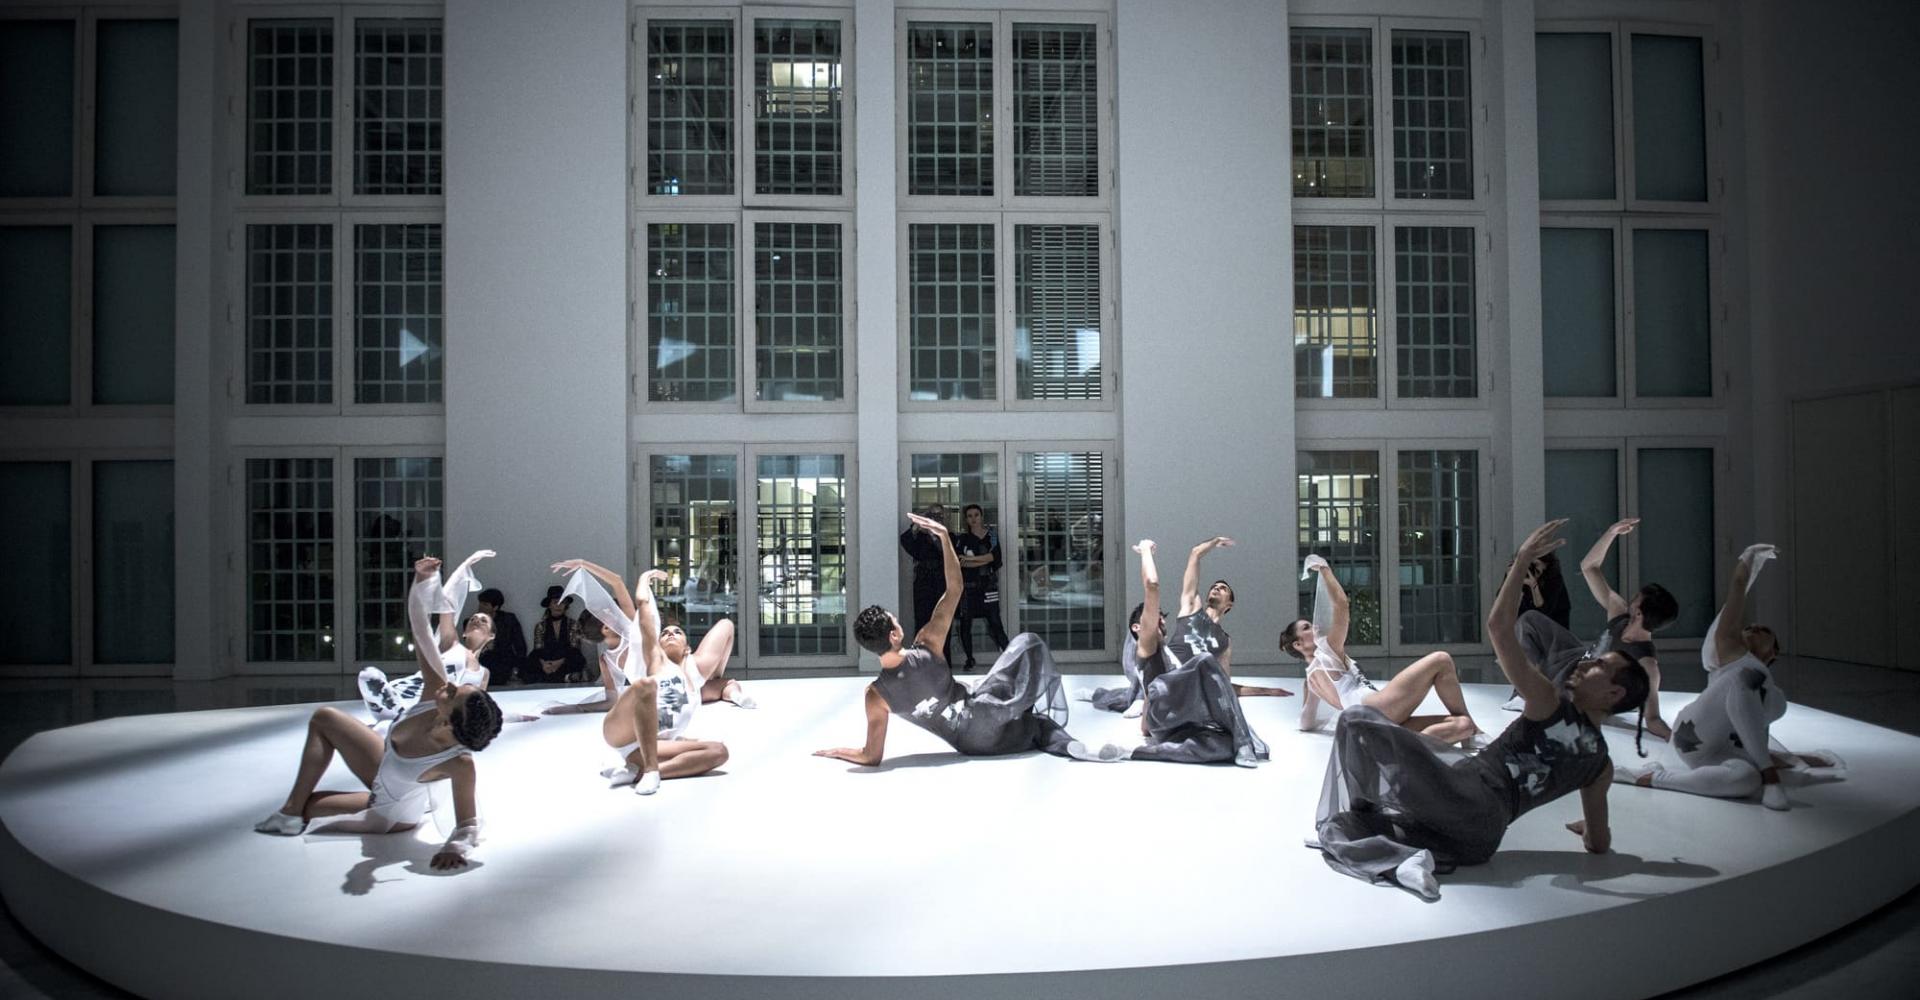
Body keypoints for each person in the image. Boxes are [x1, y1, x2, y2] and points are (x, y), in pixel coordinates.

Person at [1309, 521, 1650, 900]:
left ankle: (1387, 849)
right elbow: (1600, 844)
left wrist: (1521, 560)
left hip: (1465, 794)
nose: (1588, 663)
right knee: (1348, 823)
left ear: (1614, 692)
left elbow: (1499, 627)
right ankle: (1404, 854)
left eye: (1600, 666)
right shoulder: (1600, 765)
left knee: (1356, 722)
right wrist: (1587, 828)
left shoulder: (1548, 702)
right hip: (1481, 840)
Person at [254, 554, 506, 870]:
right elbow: (419, 628)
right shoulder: (435, 690)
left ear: (448, 721)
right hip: (384, 762)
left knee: (312, 806)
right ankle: (290, 814)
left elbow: (468, 824)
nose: (449, 686)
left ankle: (297, 810)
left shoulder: (458, 763)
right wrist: (422, 581)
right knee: (325, 717)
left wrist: (454, 848)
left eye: (454, 693)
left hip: (387, 810)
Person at [816, 512, 1113, 766]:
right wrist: (945, 536)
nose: (897, 618)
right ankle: (1072, 745)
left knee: (1023, 719)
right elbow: (955, 588)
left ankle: (1062, 740)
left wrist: (838, 751)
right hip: (983, 712)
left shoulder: (875, 695)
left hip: (971, 744)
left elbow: (871, 756)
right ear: (894, 634)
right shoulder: (926, 644)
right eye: (894, 619)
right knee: (1027, 647)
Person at [1617, 545, 1845, 809]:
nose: (1754, 627)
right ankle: (1769, 775)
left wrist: (1797, 758)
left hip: (1718, 750)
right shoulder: (1730, 654)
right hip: (1694, 735)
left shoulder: (1767, 688)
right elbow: (1736, 594)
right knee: (1747, 678)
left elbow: (1752, 728)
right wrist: (1749, 559)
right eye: (1749, 628)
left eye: (1763, 629)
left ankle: (1649, 777)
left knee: (1746, 781)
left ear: (1774, 652)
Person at [551, 559, 729, 795]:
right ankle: (652, 771)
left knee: (719, 751)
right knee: (644, 685)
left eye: (677, 632)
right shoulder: (643, 653)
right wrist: (645, 577)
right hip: (625, 726)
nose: (670, 633)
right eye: (665, 632)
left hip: (652, 737)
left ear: (686, 647)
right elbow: (640, 604)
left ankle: (636, 770)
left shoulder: (683, 669)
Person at [1505, 518, 1679, 740]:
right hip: (1576, 657)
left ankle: (1532, 692)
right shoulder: (1620, 616)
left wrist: (1674, 738)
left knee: (1563, 691)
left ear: (1639, 613)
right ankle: (1524, 689)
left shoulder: (1646, 663)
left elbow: (1653, 718)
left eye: (1637, 599)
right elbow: (1589, 567)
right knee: (1530, 620)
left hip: (1580, 683)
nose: (1632, 599)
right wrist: (1611, 532)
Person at [1287, 554, 1483, 744]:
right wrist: (1324, 569)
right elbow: (1341, 605)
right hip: (1376, 709)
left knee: (1462, 726)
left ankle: (1407, 748)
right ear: (1298, 644)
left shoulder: (1311, 682)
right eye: (1306, 628)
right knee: (1441, 659)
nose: (1313, 627)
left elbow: (1306, 723)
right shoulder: (1326, 652)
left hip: (1369, 727)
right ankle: (1470, 735)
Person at [1118, 538, 1267, 766]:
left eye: (1223, 588)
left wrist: (1267, 690)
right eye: (1214, 586)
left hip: (1187, 707)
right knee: (1204, 660)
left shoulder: (1224, 641)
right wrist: (1215, 541)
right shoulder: (1190, 609)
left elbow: (1223, 685)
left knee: (1224, 745)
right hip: (1172, 696)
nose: (1216, 588)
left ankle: (1145, 752)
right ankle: (1244, 739)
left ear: (1229, 604)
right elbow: (1192, 556)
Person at [357, 550, 493, 723]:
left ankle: (397, 713)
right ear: (464, 631)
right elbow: (448, 605)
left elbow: (482, 706)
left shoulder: (483, 673)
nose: (477, 620)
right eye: (473, 618)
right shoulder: (452, 645)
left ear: (491, 635)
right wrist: (465, 565)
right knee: (370, 675)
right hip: (419, 691)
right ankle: (394, 706)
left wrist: (509, 717)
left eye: (484, 620)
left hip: (440, 708)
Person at [952, 504, 1010, 671]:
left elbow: (995, 558)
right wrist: (983, 559)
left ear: (982, 516)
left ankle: (1010, 656)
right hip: (968, 589)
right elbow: (960, 562)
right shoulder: (962, 539)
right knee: (965, 625)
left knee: (995, 623)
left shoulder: (991, 536)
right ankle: (970, 659)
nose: (973, 518)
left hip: (988, 588)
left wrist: (972, 559)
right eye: (969, 515)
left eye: (976, 514)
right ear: (966, 519)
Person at [899, 503, 957, 666]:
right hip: (924, 582)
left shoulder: (949, 536)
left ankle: (944, 663)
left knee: (944, 622)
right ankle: (923, 662)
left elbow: (946, 553)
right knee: (923, 621)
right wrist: (918, 525)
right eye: (933, 515)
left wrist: (937, 534)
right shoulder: (921, 538)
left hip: (941, 582)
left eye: (939, 516)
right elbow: (906, 541)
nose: (935, 518)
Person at [529, 584, 588, 683]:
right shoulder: (540, 625)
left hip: (565, 660)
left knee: (577, 657)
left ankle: (554, 677)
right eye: (555, 602)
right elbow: (538, 649)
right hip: (547, 659)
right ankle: (565, 678)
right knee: (530, 661)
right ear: (549, 605)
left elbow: (575, 647)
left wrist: (558, 663)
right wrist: (544, 664)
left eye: (562, 603)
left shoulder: (573, 624)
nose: (558, 606)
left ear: (566, 605)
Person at [475, 587, 527, 684]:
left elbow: (519, 644)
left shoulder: (508, 620)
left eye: (485, 604)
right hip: (484, 660)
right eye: (481, 603)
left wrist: (517, 667)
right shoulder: (474, 621)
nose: (481, 607)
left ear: (495, 607)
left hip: (504, 661)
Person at [1518, 551, 1572, 630]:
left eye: (1535, 564)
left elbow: (1543, 614)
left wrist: (1534, 586)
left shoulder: (1554, 579)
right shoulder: (1519, 575)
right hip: (1527, 631)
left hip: (1554, 631)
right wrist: (1512, 580)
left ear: (1546, 564)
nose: (1531, 568)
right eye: (1529, 564)